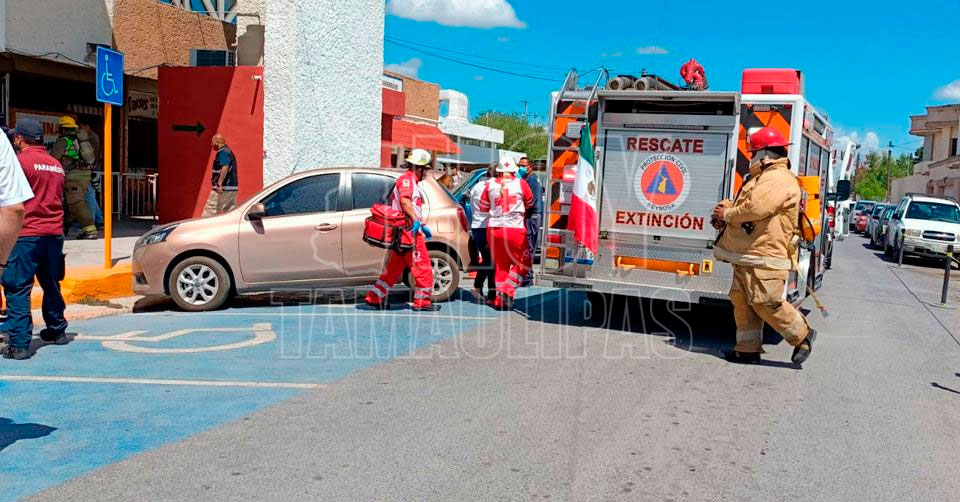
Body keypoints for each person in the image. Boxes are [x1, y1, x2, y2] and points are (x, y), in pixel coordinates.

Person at [711, 126, 816, 365]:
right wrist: (725, 209)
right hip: (748, 253)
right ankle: (747, 350)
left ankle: (803, 335)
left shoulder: (777, 179)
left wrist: (727, 214)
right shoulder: (761, 178)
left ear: (765, 154)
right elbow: (746, 203)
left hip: (766, 255)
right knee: (742, 300)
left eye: (753, 153)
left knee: (765, 301)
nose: (750, 158)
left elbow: (756, 209)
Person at [364, 148, 436, 311]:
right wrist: (416, 223)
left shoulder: (410, 181)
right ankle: (422, 302)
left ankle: (375, 297)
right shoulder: (407, 180)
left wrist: (421, 225)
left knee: (394, 268)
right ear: (419, 168)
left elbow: (409, 204)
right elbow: (405, 202)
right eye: (425, 169)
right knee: (422, 267)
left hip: (404, 231)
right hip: (408, 232)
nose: (426, 172)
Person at [0, 121, 38, 359]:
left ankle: (19, 343)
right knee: (40, 287)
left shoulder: (23, 161)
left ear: (20, 139)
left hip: (24, 234)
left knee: (15, 289)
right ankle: (56, 330)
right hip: (50, 234)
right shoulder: (55, 164)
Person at [477, 156, 534, 311]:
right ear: (514, 170)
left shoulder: (489, 185)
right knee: (524, 263)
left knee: (501, 265)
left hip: (494, 229)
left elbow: (482, 208)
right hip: (514, 229)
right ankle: (506, 292)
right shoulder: (521, 183)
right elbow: (530, 203)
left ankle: (500, 300)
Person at [50, 116, 96, 239]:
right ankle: (63, 227)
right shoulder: (79, 141)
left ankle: (90, 230)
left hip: (72, 176)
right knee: (68, 203)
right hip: (84, 175)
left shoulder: (63, 141)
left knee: (76, 203)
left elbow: (54, 159)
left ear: (62, 128)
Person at [469, 162, 497, 303]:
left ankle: (480, 288)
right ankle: (487, 291)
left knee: (488, 260)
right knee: (492, 261)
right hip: (488, 226)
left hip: (477, 225)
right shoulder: (495, 187)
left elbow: (473, 207)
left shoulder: (477, 186)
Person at [518, 156, 542, 286]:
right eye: (519, 165)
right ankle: (527, 276)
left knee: (529, 247)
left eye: (523, 165)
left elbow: (529, 202)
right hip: (533, 216)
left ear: (530, 166)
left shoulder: (531, 180)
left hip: (532, 217)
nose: (520, 168)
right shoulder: (529, 178)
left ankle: (527, 278)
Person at [202, 134, 239, 217]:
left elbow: (225, 166)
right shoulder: (228, 151)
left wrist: (219, 184)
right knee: (231, 213)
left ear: (217, 142)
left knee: (210, 212)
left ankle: (205, 229)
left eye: (212, 142)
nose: (211, 145)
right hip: (232, 188)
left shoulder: (223, 152)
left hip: (224, 188)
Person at [78, 122, 103, 228]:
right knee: (91, 195)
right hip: (93, 169)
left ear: (87, 126)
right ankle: (99, 219)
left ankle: (90, 222)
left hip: (90, 170)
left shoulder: (91, 138)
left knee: (89, 195)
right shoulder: (93, 137)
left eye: (81, 127)